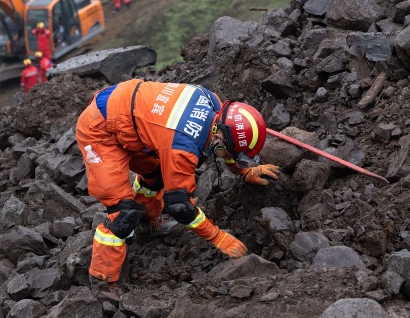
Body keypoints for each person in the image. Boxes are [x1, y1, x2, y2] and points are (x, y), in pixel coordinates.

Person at [75, 79, 281, 290]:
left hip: (129, 114)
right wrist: (218, 238)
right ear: (218, 137)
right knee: (123, 215)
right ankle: (103, 281)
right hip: (99, 128)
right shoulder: (182, 147)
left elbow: (224, 148)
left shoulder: (214, 104)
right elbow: (180, 206)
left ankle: (148, 221)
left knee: (157, 174)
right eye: (232, 154)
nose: (230, 158)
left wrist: (244, 171)